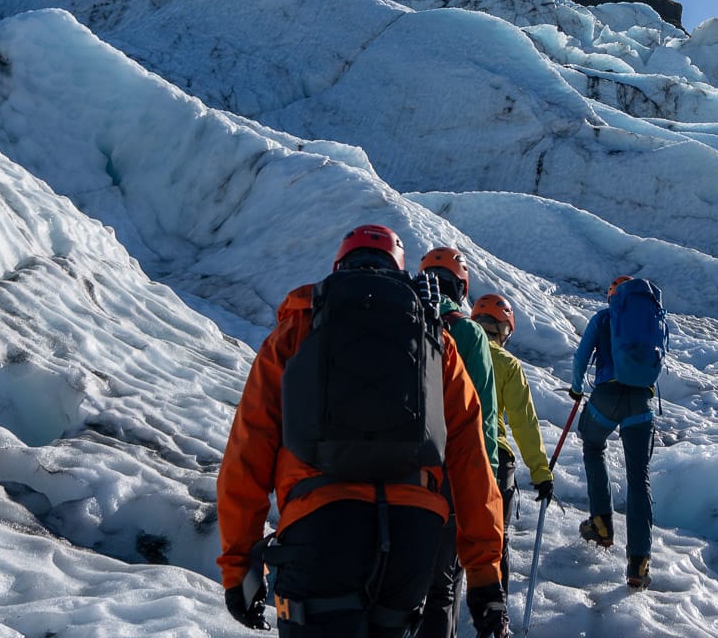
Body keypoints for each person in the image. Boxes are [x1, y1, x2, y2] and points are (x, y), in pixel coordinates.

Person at [216, 225, 509, 638]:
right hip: (413, 535)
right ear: (399, 270)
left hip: (319, 526)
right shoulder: (435, 340)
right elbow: (471, 458)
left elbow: (250, 446)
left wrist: (239, 565)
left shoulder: (298, 329)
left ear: (339, 267)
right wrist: (484, 576)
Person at [418, 247, 501, 638]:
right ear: (462, 287)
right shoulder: (467, 332)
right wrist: (489, 490)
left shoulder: (399, 319)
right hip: (448, 482)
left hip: (384, 472)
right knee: (441, 588)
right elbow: (481, 419)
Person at [568, 275, 667, 591]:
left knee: (593, 446)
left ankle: (601, 524)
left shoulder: (604, 318)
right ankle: (639, 563)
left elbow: (581, 357)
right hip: (641, 401)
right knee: (639, 479)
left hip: (606, 397)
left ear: (614, 296)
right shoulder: (655, 321)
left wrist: (575, 388)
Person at [470, 293, 555, 592]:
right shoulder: (508, 364)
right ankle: (495, 615)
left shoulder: (452, 351)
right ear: (505, 330)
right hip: (497, 457)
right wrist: (541, 473)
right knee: (495, 540)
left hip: (451, 453)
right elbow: (525, 423)